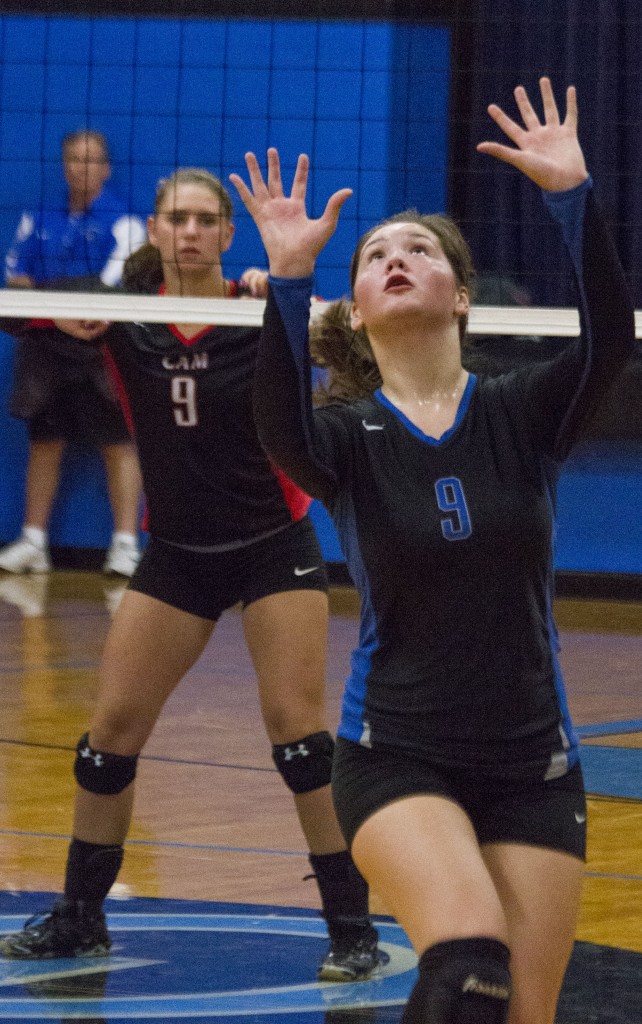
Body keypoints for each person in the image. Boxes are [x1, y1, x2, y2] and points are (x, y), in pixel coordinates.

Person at [229, 78, 635, 1023]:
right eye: (376, 256)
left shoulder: (523, 413)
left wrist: (572, 198)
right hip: (397, 755)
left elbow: (608, 339)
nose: (398, 258)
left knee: (521, 1013)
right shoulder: (342, 435)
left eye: (421, 250)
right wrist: (289, 280)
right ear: (360, 309)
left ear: (461, 298)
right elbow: (278, 427)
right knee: (466, 973)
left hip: (535, 763)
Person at [0, 167, 383, 983]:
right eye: (177, 218)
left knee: (300, 743)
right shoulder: (127, 323)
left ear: (227, 234)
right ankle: (79, 917)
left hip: (273, 544)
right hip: (175, 552)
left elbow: (348, 345)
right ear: (156, 230)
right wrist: (62, 309)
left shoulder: (259, 314)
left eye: (207, 220)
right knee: (107, 745)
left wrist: (287, 284)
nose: (191, 232)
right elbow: (25, 307)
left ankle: (351, 926)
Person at [0, 130, 147, 577]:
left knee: (119, 443)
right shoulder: (38, 218)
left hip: (103, 346)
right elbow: (16, 284)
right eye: (73, 160)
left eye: (90, 161)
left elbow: (109, 289)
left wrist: (58, 303)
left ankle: (124, 545)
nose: (80, 169)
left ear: (105, 168)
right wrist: (58, 311)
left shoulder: (125, 222)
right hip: (46, 345)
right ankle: (33, 542)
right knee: (44, 441)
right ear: (64, 166)